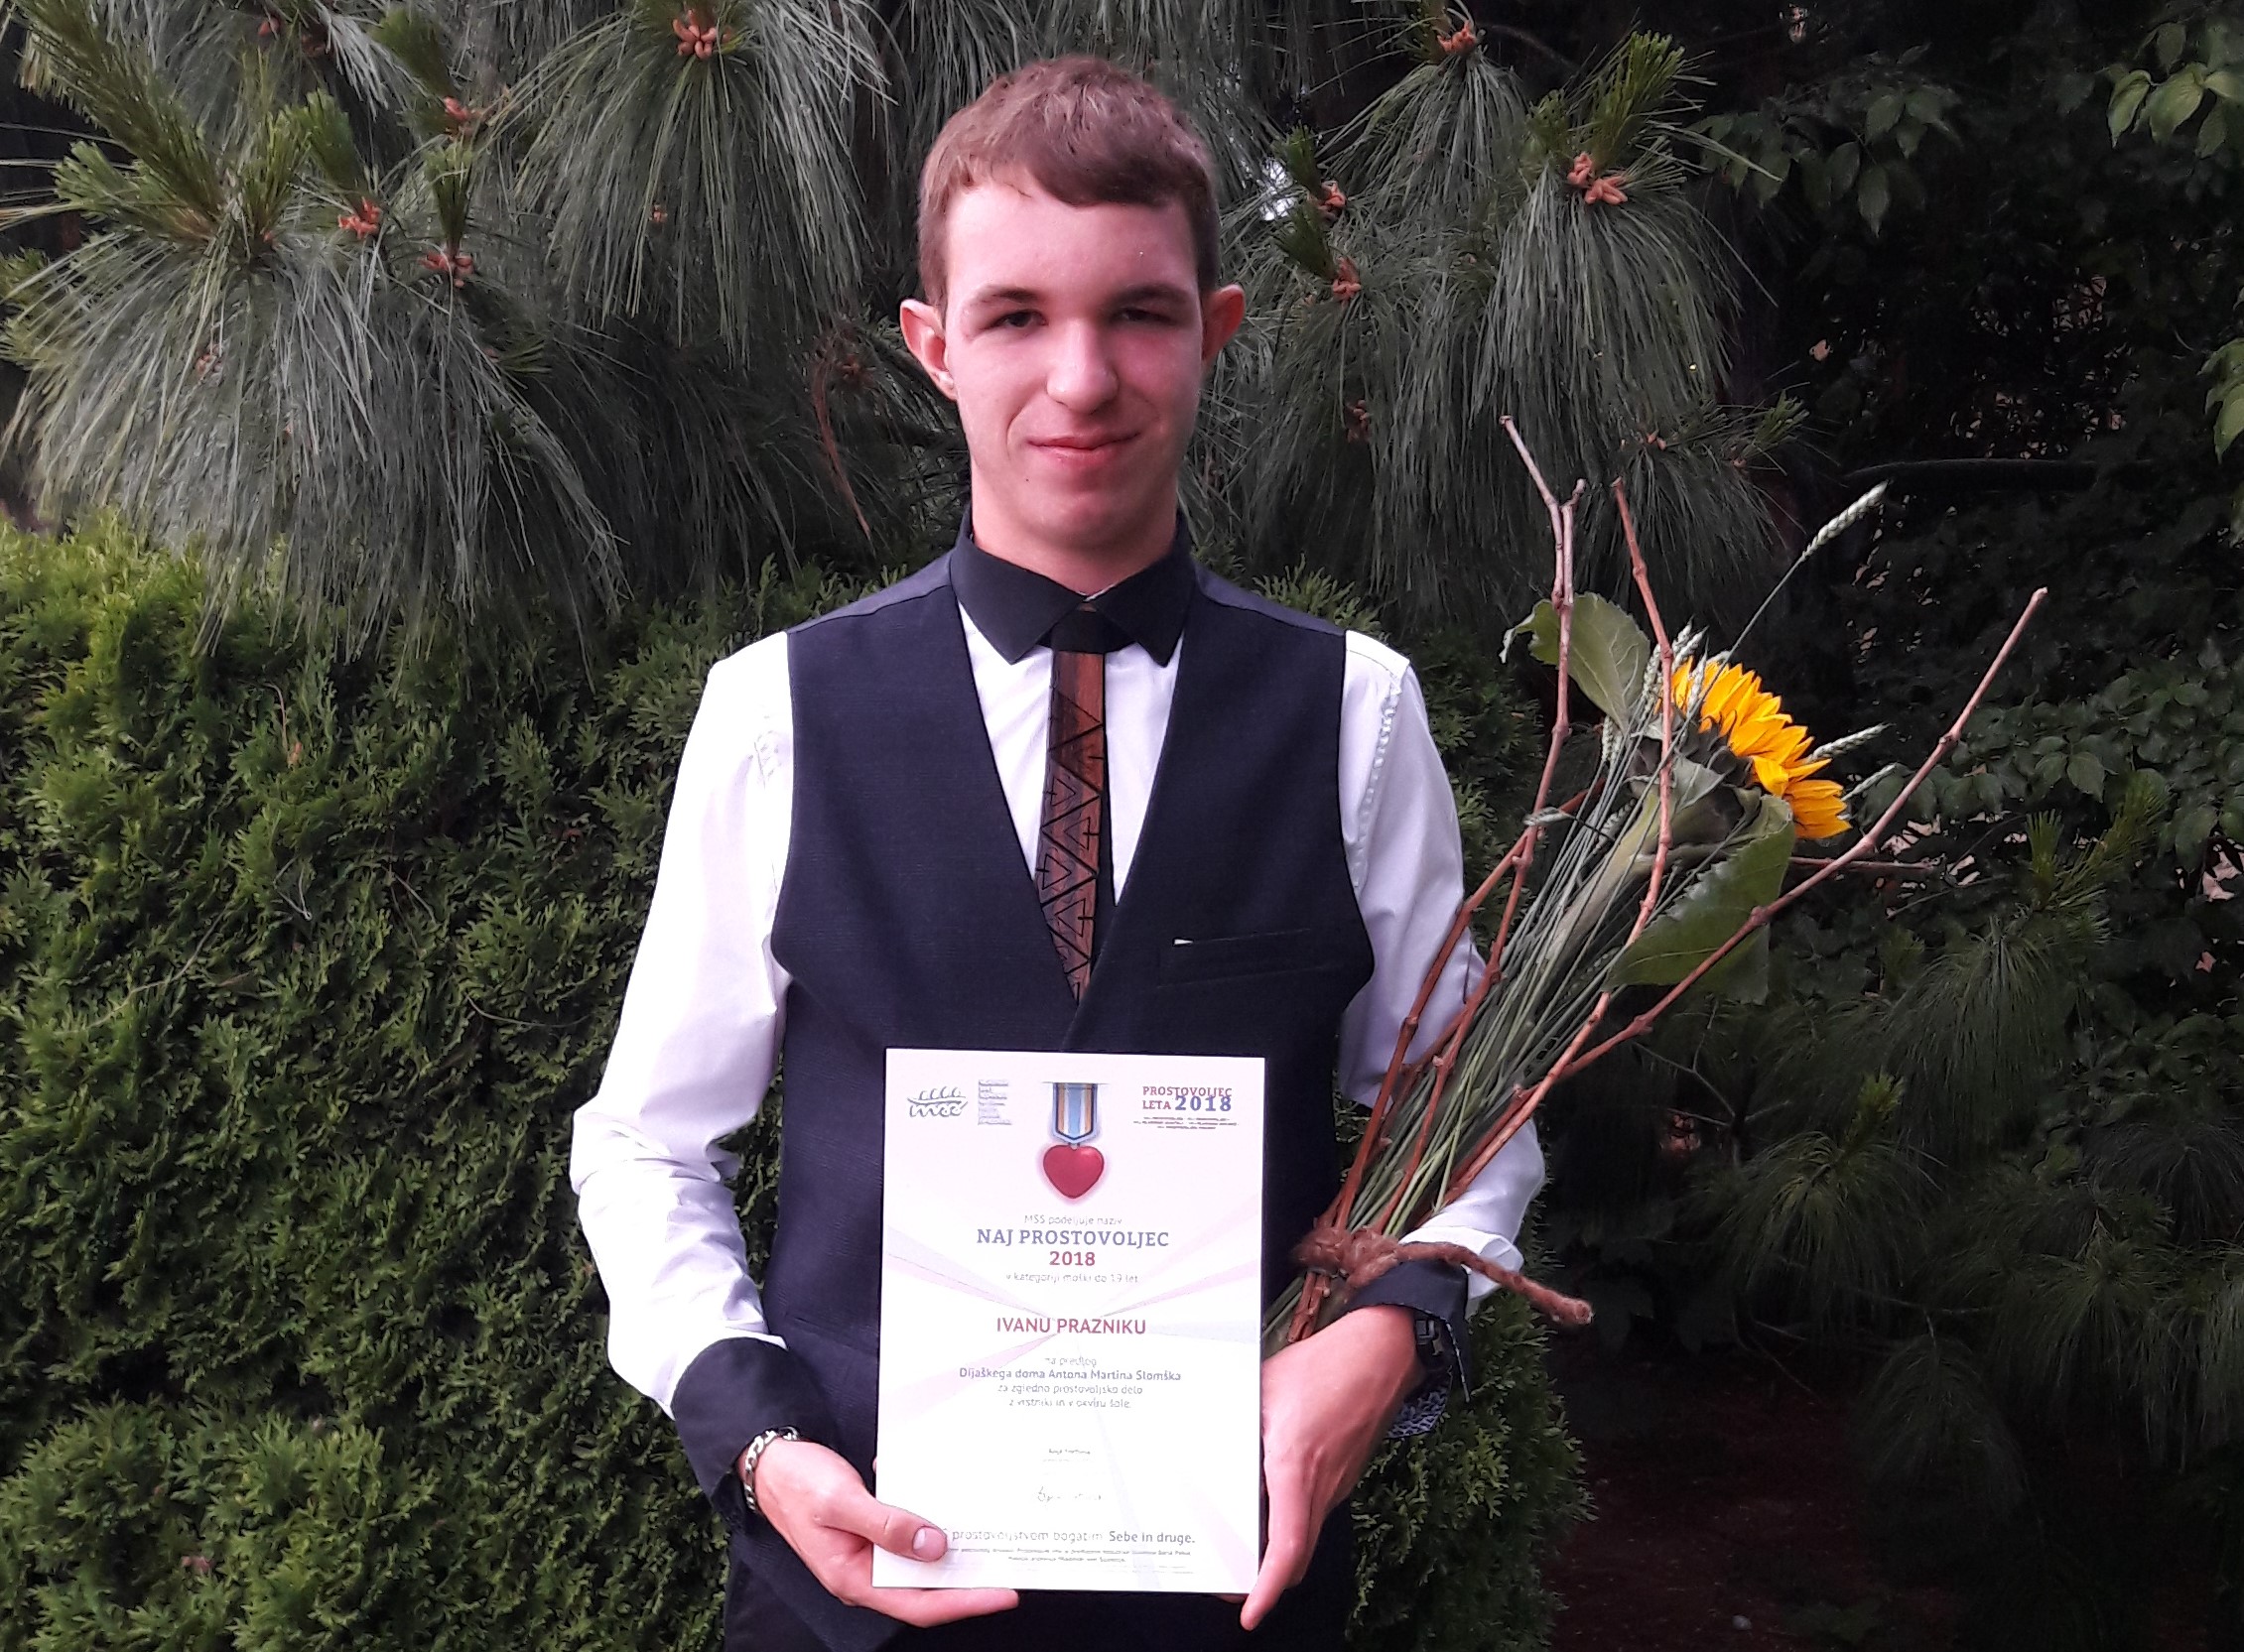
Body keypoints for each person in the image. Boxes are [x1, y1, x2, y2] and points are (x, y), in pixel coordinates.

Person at [570, 55, 1544, 1652]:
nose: (1079, 379)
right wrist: (754, 1434)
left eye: (1137, 314)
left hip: (1228, 1604)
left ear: (1215, 332)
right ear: (933, 346)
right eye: (1016, 315)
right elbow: (644, 1144)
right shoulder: (778, 714)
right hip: (855, 1598)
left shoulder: (1351, 716)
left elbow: (1465, 1105)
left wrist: (1395, 1326)